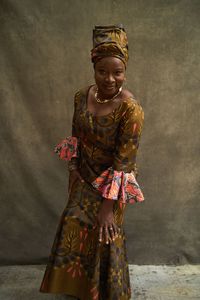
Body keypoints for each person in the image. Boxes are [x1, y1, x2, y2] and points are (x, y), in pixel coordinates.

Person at [40, 24, 144, 300]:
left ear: (125, 71)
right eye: (103, 71)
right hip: (84, 177)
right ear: (93, 67)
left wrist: (109, 208)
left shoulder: (130, 110)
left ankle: (107, 292)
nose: (110, 79)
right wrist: (73, 171)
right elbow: (76, 136)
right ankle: (79, 289)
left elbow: (124, 163)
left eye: (118, 72)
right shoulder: (80, 97)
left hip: (111, 184)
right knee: (73, 219)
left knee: (104, 230)